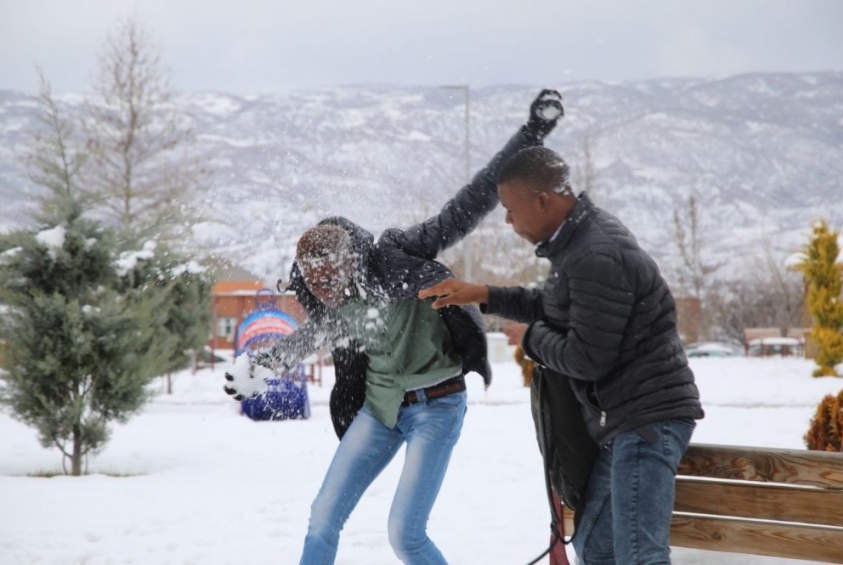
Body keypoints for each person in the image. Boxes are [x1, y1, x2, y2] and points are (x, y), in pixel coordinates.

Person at [221, 90, 564, 565]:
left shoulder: (397, 256)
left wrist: (531, 135)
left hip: (436, 407)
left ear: (349, 264)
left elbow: (471, 201)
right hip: (380, 409)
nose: (325, 295)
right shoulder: (325, 295)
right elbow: (311, 336)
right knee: (322, 516)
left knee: (406, 535)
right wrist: (262, 364)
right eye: (315, 286)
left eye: (331, 282)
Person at [418, 146, 704, 565]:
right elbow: (556, 306)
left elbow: (588, 359)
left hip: (647, 419)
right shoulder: (580, 244)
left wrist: (530, 338)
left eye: (511, 210)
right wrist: (483, 294)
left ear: (542, 201)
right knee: (596, 544)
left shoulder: (593, 253)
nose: (509, 222)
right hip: (627, 422)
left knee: (639, 556)